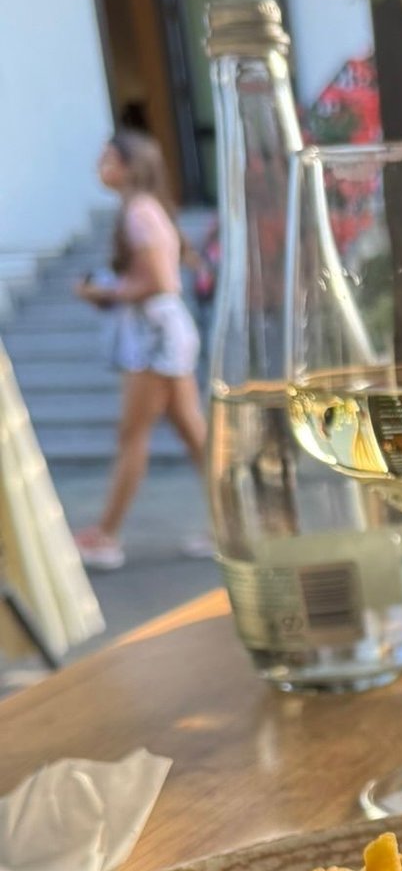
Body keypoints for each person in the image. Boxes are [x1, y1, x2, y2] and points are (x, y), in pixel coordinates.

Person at [72, 131, 210, 570]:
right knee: (192, 433)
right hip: (161, 332)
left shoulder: (138, 212)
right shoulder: (145, 210)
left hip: (154, 337)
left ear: (130, 167)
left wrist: (105, 293)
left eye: (109, 158)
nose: (101, 165)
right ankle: (236, 522)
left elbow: (159, 282)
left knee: (134, 434)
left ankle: (106, 535)